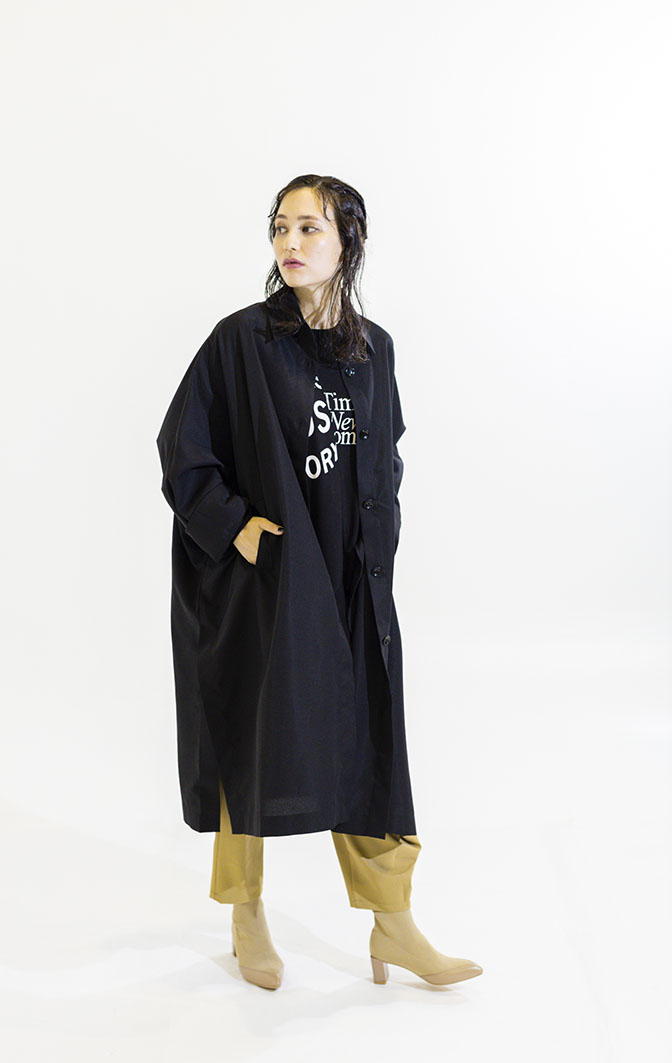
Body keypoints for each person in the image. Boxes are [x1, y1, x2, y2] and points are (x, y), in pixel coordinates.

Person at [156, 174, 483, 991]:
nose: (290, 243)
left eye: (309, 228)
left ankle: (394, 926)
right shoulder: (242, 341)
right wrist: (237, 529)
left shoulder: (375, 349)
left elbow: (385, 452)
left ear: (348, 242)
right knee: (252, 735)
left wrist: (380, 540)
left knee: (368, 736)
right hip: (269, 582)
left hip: (353, 580)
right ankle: (246, 914)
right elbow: (183, 447)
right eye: (280, 227)